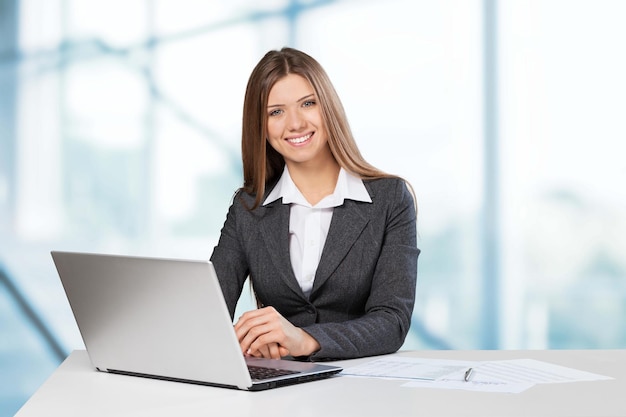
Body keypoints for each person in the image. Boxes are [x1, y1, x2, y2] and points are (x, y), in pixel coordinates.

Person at [210, 47, 419, 361]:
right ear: (261, 127)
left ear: (328, 109)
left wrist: (304, 339)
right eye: (275, 112)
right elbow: (209, 311)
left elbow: (392, 322)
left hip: (361, 385)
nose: (294, 123)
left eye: (307, 104)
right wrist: (247, 337)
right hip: (279, 385)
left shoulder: (390, 199)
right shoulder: (248, 209)